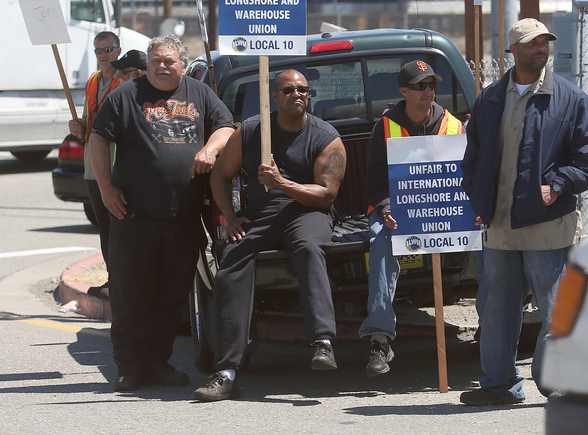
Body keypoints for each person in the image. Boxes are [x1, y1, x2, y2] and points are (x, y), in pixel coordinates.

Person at [459, 18, 588, 405]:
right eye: (533, 43)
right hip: (499, 227)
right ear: (513, 51)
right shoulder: (490, 99)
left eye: (546, 42)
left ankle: (553, 379)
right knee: (496, 313)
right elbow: (472, 159)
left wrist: (557, 185)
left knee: (555, 310)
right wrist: (478, 201)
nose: (542, 48)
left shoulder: (571, 99)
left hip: (547, 224)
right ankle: (499, 385)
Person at [90, 35, 235, 392]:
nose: (162, 66)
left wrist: (210, 150)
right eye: (156, 60)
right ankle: (130, 368)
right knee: (130, 296)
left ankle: (159, 362)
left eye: (169, 61)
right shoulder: (125, 95)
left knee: (172, 297)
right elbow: (98, 139)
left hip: (184, 219)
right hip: (133, 218)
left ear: (182, 64)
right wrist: (106, 188)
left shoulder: (199, 93)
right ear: (148, 63)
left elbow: (227, 127)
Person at [193, 70, 347, 402]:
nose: (297, 94)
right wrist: (230, 217)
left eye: (303, 89)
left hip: (307, 210)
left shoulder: (326, 137)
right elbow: (219, 175)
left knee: (308, 248)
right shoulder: (250, 130)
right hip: (261, 214)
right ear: (273, 97)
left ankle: (322, 342)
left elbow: (326, 195)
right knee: (232, 263)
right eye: (289, 89)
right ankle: (227, 371)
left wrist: (282, 184)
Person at [359, 60, 463, 377]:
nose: (428, 91)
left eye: (432, 84)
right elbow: (375, 184)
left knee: (487, 243)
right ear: (404, 91)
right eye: (420, 86)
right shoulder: (386, 126)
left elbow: (465, 178)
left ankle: (491, 331)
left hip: (445, 212)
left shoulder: (454, 126)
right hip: (395, 211)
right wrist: (388, 208)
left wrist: (470, 213)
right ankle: (379, 339)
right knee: (380, 244)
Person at [67, 31, 123, 298]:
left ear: (118, 50)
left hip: (118, 166)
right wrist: (78, 128)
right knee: (105, 225)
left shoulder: (128, 79)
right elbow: (87, 125)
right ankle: (113, 278)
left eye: (108, 49)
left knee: (121, 225)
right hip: (93, 168)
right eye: (99, 51)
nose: (103, 55)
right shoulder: (92, 81)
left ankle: (126, 281)